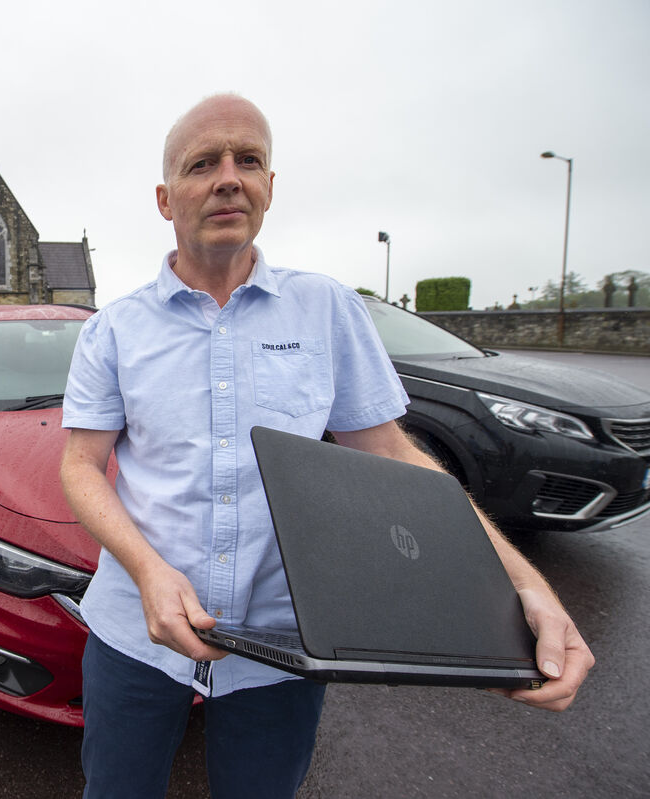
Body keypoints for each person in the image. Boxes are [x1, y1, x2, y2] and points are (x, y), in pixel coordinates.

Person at [59, 94, 594, 799]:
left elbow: (396, 457)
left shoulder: (328, 310)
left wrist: (524, 585)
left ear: (270, 187)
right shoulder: (114, 330)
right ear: (165, 198)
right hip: (134, 633)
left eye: (248, 159)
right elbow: (80, 466)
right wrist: (148, 570)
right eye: (202, 164)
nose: (228, 177)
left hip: (282, 649)